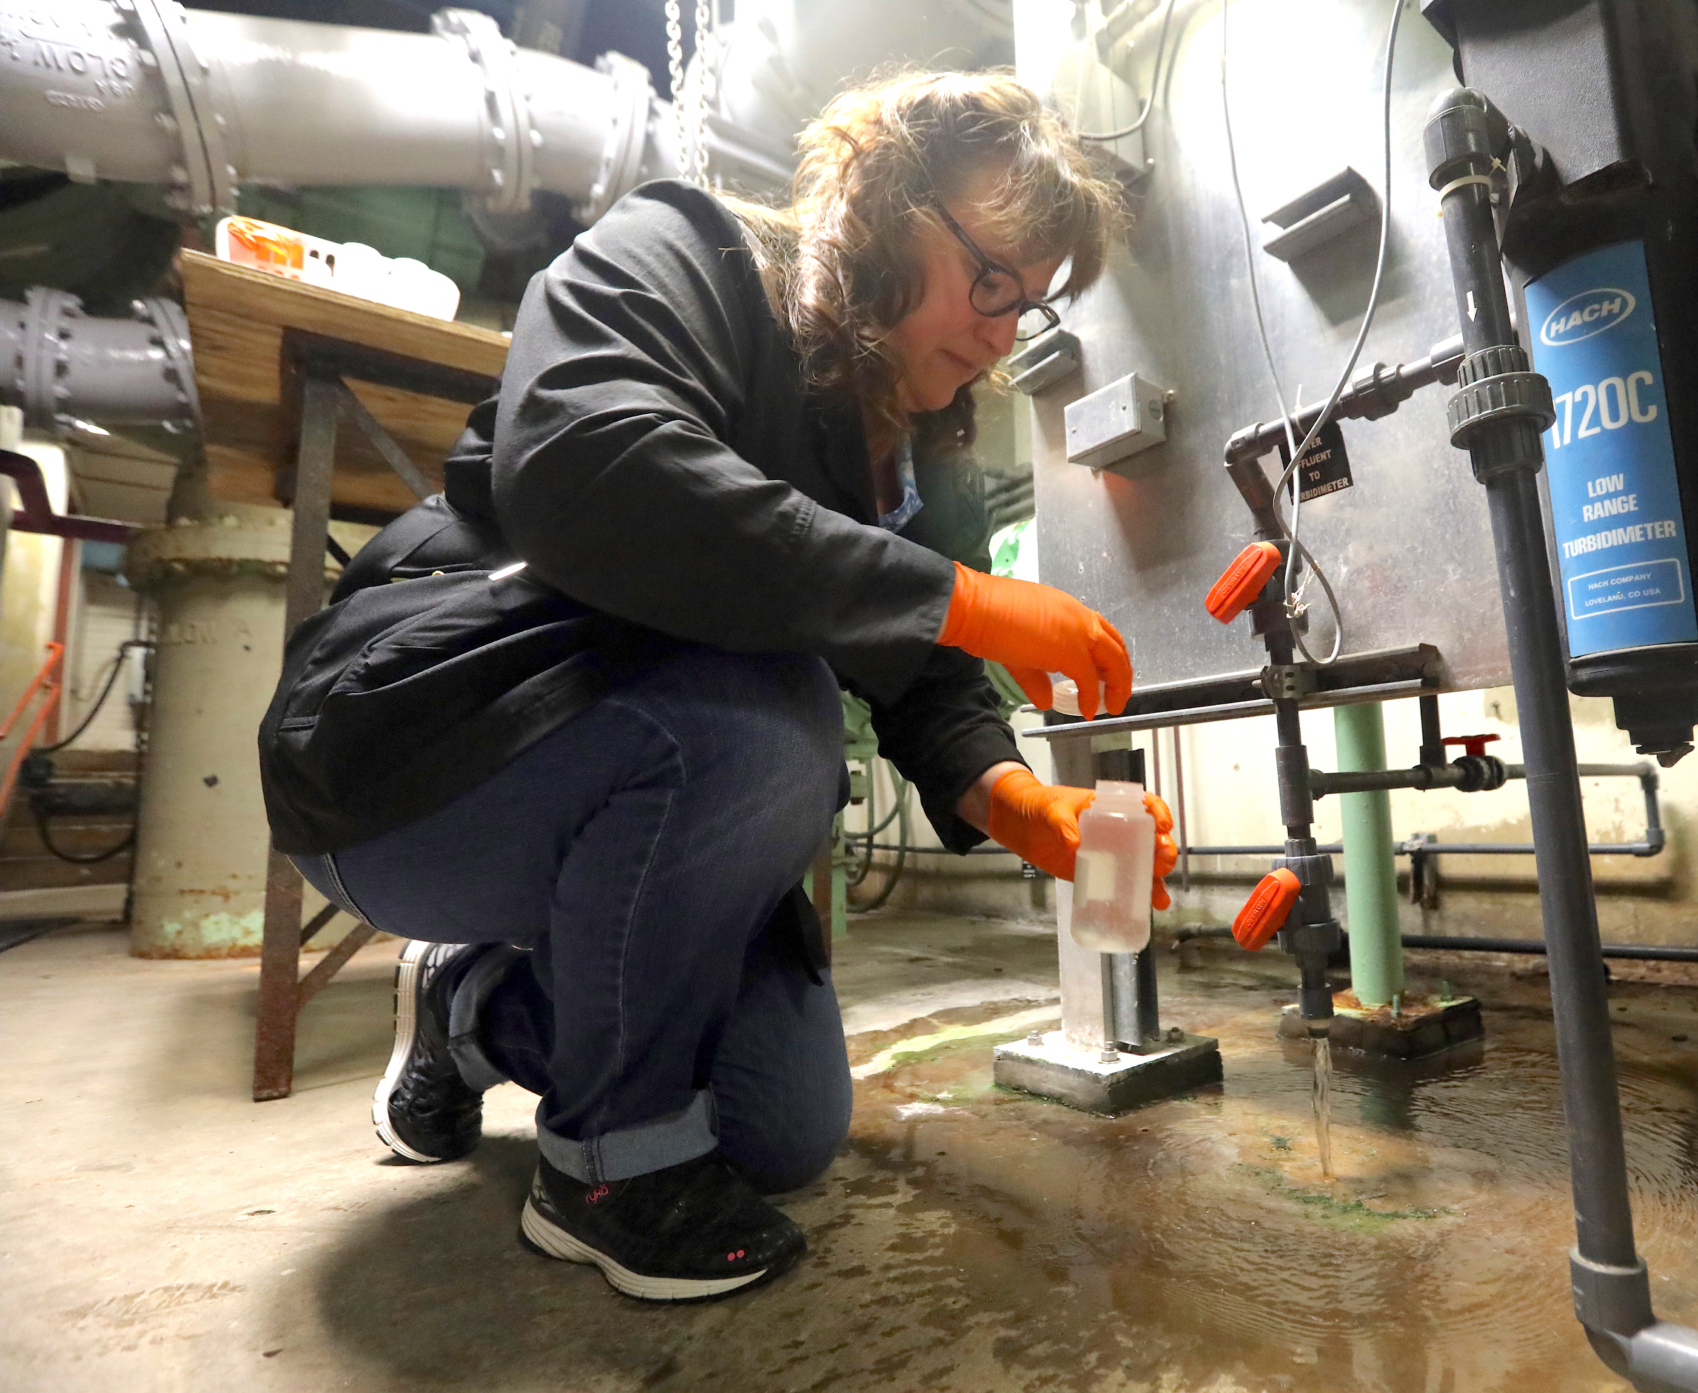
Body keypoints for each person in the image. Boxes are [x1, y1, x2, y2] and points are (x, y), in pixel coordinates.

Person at [257, 70, 1179, 1304]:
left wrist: (1016, 799)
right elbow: (596, 464)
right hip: (419, 757)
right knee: (769, 712)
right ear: (885, 199)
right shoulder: (687, 250)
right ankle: (603, 1175)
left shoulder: (915, 445)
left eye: (1030, 303)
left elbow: (921, 671)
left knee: (777, 1127)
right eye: (991, 280)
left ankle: (472, 1006)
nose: (1004, 332)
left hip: (654, 764)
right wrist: (960, 594)